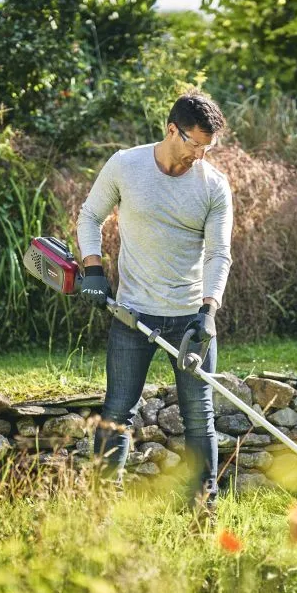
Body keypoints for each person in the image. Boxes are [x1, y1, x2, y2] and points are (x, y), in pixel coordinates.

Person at [75, 92, 232, 521]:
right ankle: (100, 511)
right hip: (132, 313)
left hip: (190, 320)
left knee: (200, 418)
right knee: (117, 411)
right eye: (194, 144)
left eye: (207, 148)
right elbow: (90, 216)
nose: (199, 155)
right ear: (171, 130)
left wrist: (208, 311)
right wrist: (92, 268)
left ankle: (203, 510)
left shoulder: (213, 186)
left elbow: (220, 255)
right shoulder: (127, 165)